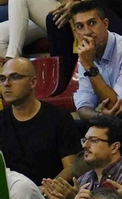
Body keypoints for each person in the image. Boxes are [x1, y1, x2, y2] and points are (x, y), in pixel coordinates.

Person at [0, 57, 76, 185]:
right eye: (2, 79)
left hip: (48, 195)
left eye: (14, 77)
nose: (6, 84)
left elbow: (71, 167)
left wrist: (46, 189)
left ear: (33, 82)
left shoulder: (59, 118)